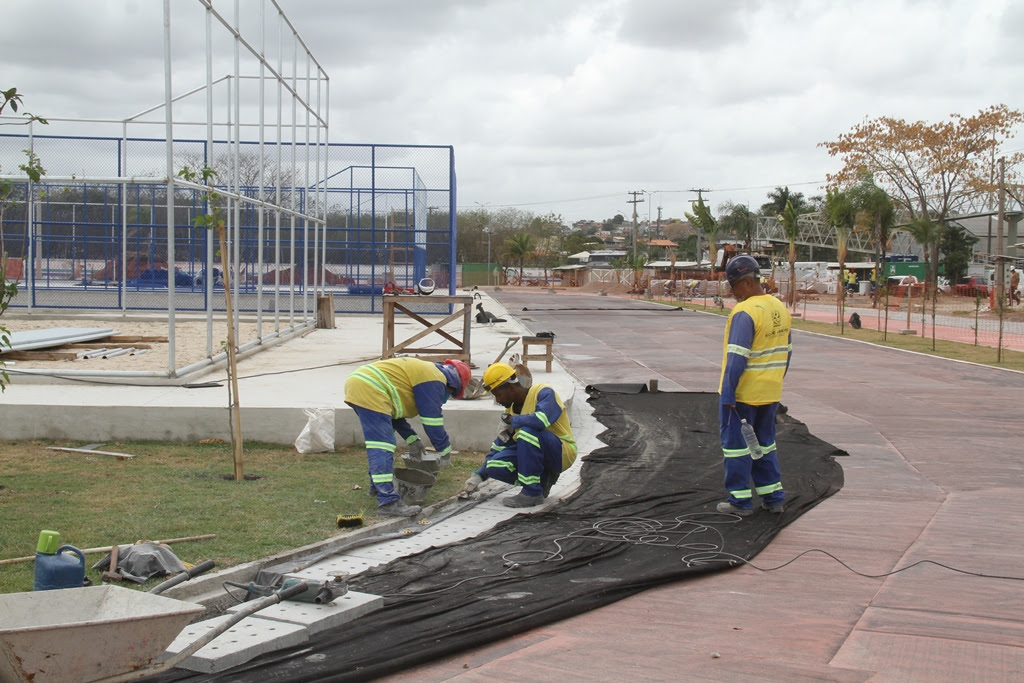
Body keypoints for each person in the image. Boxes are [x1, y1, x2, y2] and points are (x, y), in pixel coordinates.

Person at [344, 357, 471, 517]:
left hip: (361, 383)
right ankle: (388, 502)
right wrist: (444, 450)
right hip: (371, 387)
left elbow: (394, 414)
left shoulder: (426, 372)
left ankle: (377, 488)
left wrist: (412, 439)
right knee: (383, 445)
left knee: (379, 444)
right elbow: (432, 421)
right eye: (451, 394)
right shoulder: (435, 379)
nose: (446, 398)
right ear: (453, 384)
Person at [717, 254, 792, 517]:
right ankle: (773, 498)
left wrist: (728, 393)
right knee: (765, 444)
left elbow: (737, 356)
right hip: (770, 391)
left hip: (744, 394)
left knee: (737, 446)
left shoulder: (745, 312)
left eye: (733, 285)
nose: (732, 291)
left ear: (747, 283)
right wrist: (775, 382)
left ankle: (740, 502)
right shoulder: (779, 308)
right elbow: (787, 351)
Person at [462, 363, 577, 508]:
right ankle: (542, 480)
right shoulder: (510, 410)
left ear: (510, 387)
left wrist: (514, 420)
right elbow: (499, 445)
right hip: (536, 450)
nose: (497, 400)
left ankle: (532, 493)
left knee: (527, 433)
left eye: (498, 394)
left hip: (561, 452)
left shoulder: (543, 393)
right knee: (494, 465)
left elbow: (541, 420)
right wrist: (478, 476)